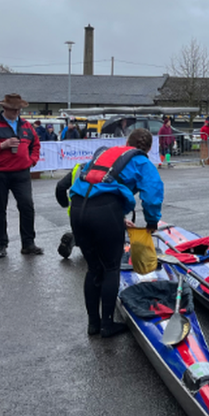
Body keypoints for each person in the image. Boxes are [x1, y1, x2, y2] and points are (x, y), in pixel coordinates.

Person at [69, 128, 163, 337]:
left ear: (127, 142)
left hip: (77, 208)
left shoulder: (105, 153)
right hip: (104, 211)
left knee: (94, 269)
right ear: (147, 149)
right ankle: (107, 325)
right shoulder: (141, 161)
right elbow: (152, 193)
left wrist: (118, 218)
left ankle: (93, 324)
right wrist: (152, 221)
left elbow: (94, 184)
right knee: (111, 268)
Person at [0, 94, 43, 258]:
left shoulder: (26, 125)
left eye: (18, 109)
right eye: (13, 109)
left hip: (21, 172)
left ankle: (28, 243)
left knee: (27, 206)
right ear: (4, 108)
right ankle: (1, 245)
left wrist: (31, 161)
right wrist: (1, 145)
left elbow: (36, 144)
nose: (16, 112)